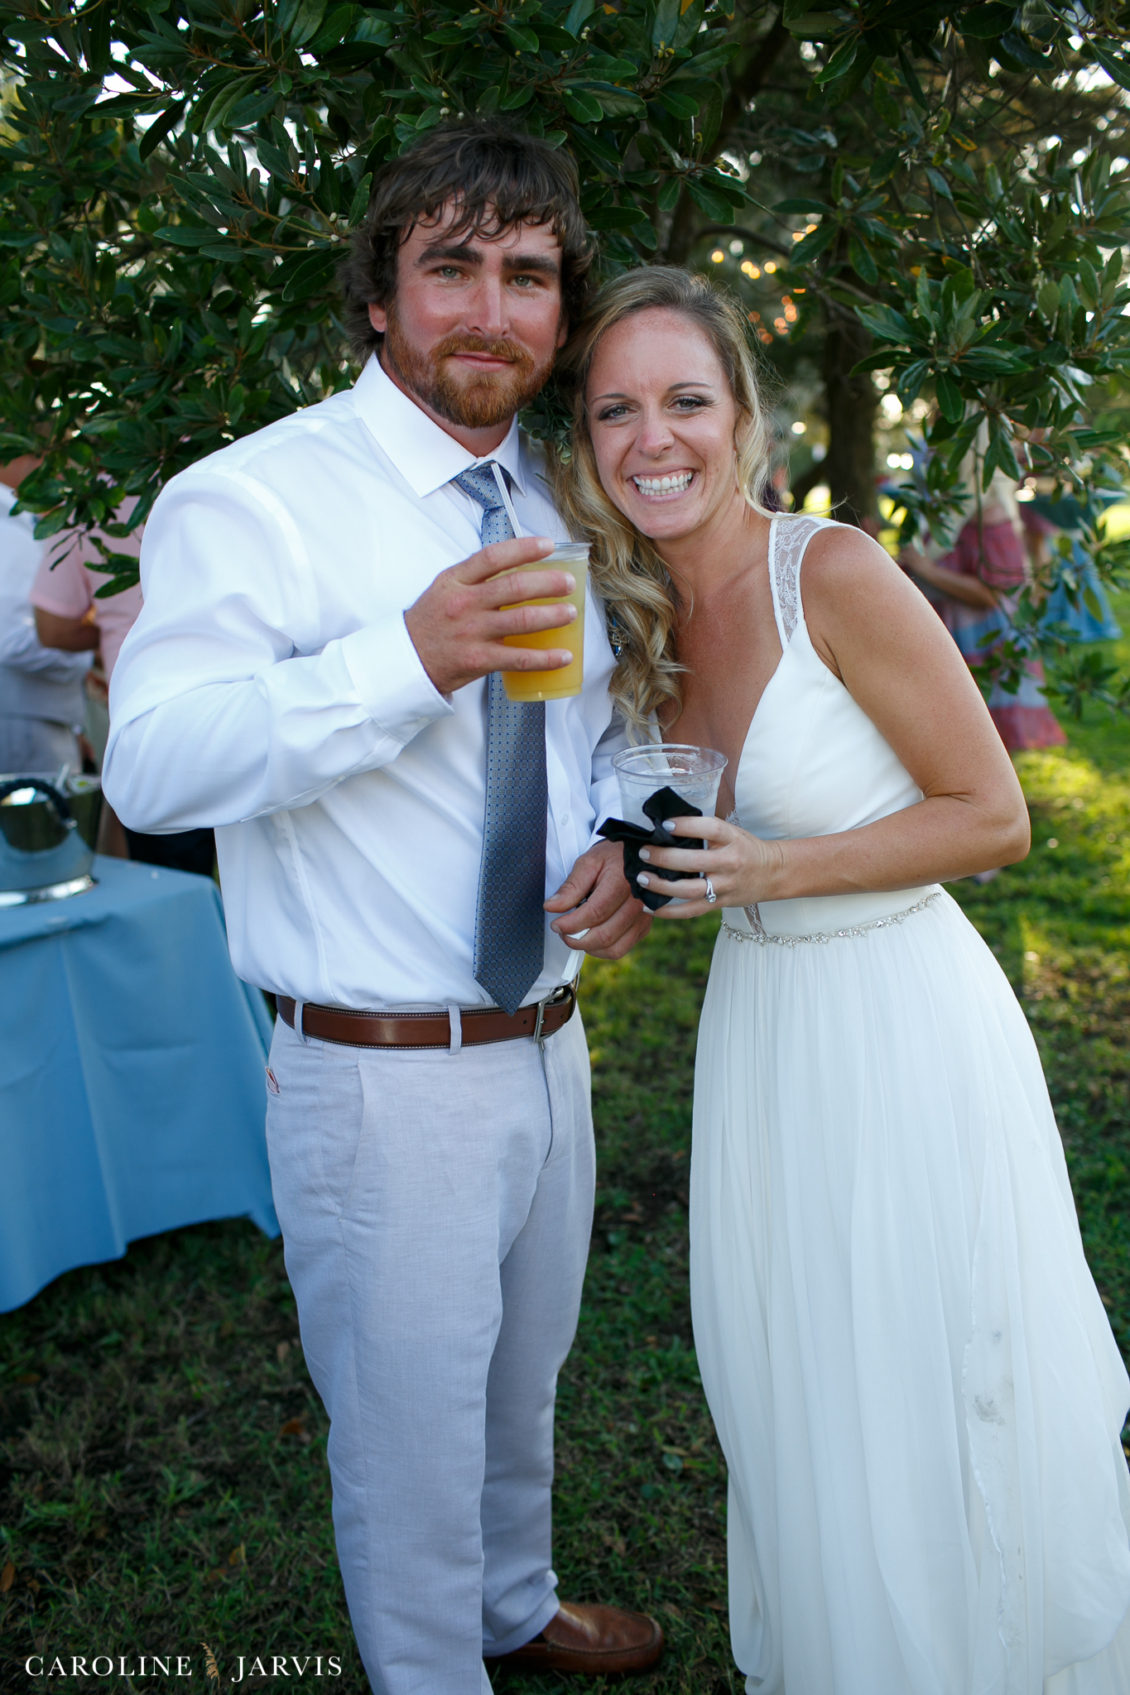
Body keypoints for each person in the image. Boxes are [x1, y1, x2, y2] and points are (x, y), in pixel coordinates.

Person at [103, 124, 662, 1693]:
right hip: (378, 1065)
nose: (490, 312)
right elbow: (152, 764)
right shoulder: (254, 498)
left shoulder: (556, 491)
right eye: (452, 270)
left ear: (560, 308)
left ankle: (513, 1599)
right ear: (378, 294)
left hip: (548, 1037)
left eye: (528, 276)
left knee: (516, 1386)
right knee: (408, 1426)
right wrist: (400, 660)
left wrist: (618, 837)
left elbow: (592, 730)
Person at [554, 266, 1130, 1695]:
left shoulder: (834, 572)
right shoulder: (637, 617)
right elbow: (703, 834)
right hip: (763, 1037)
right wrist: (640, 884)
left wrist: (768, 872)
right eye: (615, 408)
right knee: (801, 1386)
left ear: (741, 414)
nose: (652, 437)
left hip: (901, 1022)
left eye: (685, 398)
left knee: (936, 1372)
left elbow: (991, 813)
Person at [31, 507, 215, 874]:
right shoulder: (217, 472)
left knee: (165, 872)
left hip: (150, 715)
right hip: (238, 695)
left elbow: (52, 628)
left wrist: (113, 639)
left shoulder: (85, 507)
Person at [0, 454, 91, 776]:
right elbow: (13, 639)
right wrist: (88, 652)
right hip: (25, 719)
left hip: (30, 715)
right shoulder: (7, 525)